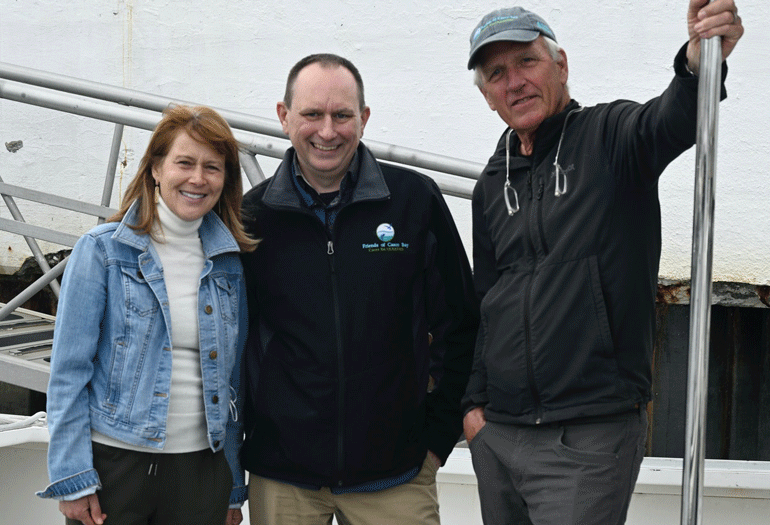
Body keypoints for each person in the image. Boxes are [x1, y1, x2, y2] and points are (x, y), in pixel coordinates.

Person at [461, 1, 744, 524]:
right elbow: (488, 299)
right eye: (497, 73)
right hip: (499, 434)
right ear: (486, 96)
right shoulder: (490, 185)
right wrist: (474, 411)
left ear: (561, 65)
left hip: (587, 436)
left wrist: (698, 64)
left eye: (527, 62)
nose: (515, 82)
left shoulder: (610, 137)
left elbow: (672, 119)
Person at [239, 53, 479, 525]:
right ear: (284, 117)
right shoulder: (251, 219)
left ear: (363, 119)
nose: (327, 131)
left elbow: (461, 324)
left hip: (396, 478)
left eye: (342, 115)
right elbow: (233, 344)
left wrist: (435, 439)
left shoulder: (414, 201)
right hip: (283, 480)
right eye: (311, 114)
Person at [37, 105, 255, 525]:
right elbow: (68, 371)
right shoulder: (102, 251)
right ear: (156, 167)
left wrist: (232, 486)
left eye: (213, 167)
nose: (198, 178)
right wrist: (71, 476)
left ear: (225, 179)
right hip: (116, 468)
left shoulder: (230, 263)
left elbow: (233, 384)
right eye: (185, 163)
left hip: (202, 472)